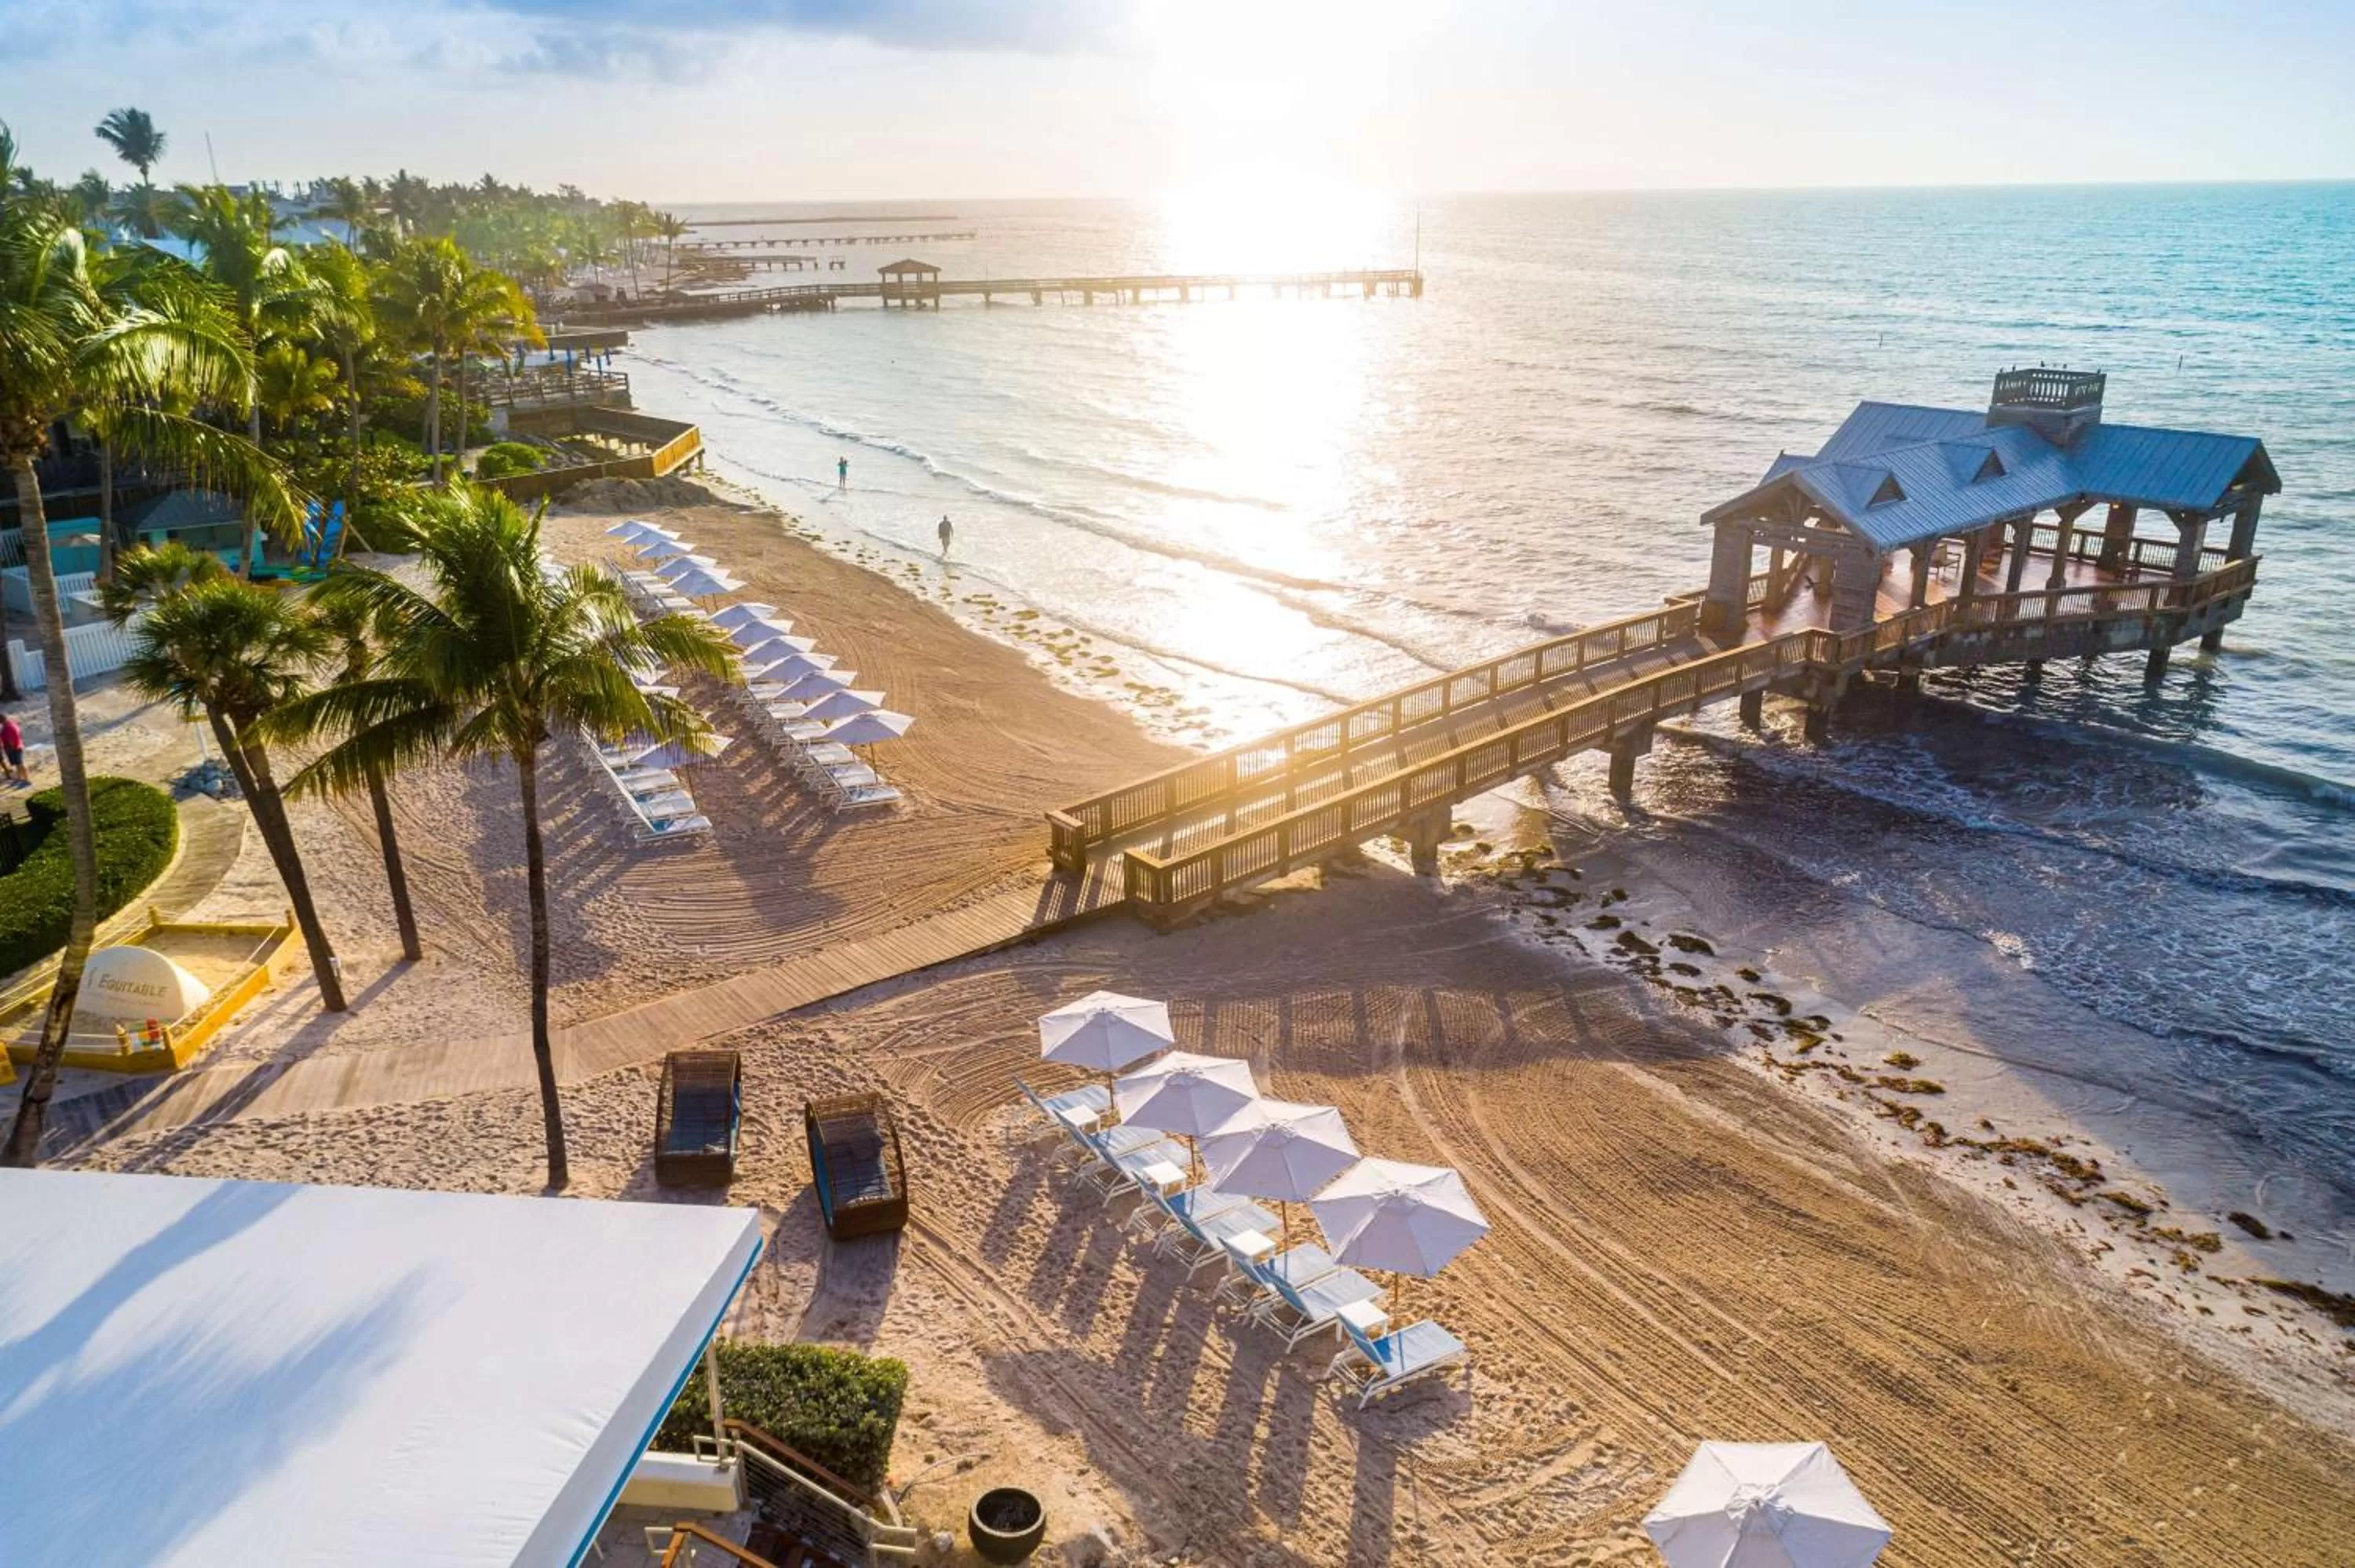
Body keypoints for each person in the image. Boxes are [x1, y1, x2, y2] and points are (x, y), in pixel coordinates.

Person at [1, 709, 27, 787]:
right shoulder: (12, 724)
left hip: (14, 748)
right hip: (17, 746)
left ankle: (26, 780)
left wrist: (11, 748)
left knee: (20, 764)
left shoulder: (7, 727)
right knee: (19, 764)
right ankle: (21, 778)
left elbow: (10, 739)